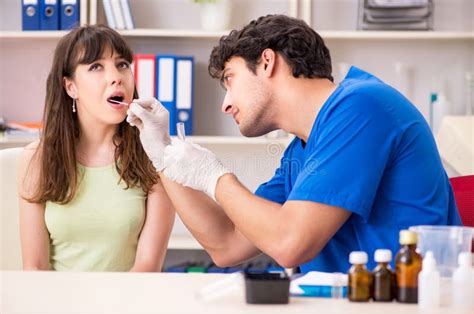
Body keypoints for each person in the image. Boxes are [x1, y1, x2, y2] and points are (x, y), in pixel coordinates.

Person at [127, 15, 461, 273]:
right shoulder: (302, 149)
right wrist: (163, 155)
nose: (225, 104)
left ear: (268, 62)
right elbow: (227, 244)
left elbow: (289, 243)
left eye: (230, 80)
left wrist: (214, 177)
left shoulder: (360, 107)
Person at [18, 25, 175, 272]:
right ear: (71, 87)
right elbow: (35, 267)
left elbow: (147, 268)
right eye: (96, 66)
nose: (116, 77)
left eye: (122, 64)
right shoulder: (37, 159)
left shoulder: (154, 158)